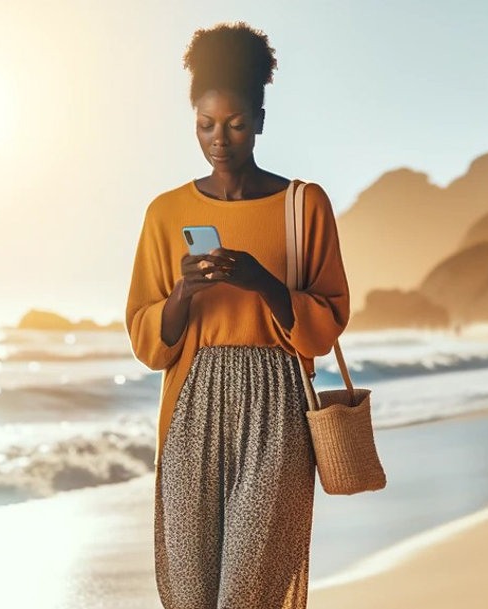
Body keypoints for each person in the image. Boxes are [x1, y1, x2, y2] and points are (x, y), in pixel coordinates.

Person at [124, 22, 350, 609]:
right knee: (193, 597)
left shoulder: (305, 205)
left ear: (261, 118)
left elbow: (326, 324)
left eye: (236, 123)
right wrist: (182, 294)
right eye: (205, 124)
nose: (218, 138)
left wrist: (262, 283)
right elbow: (150, 344)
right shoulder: (164, 212)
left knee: (247, 596)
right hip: (190, 405)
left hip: (278, 408)